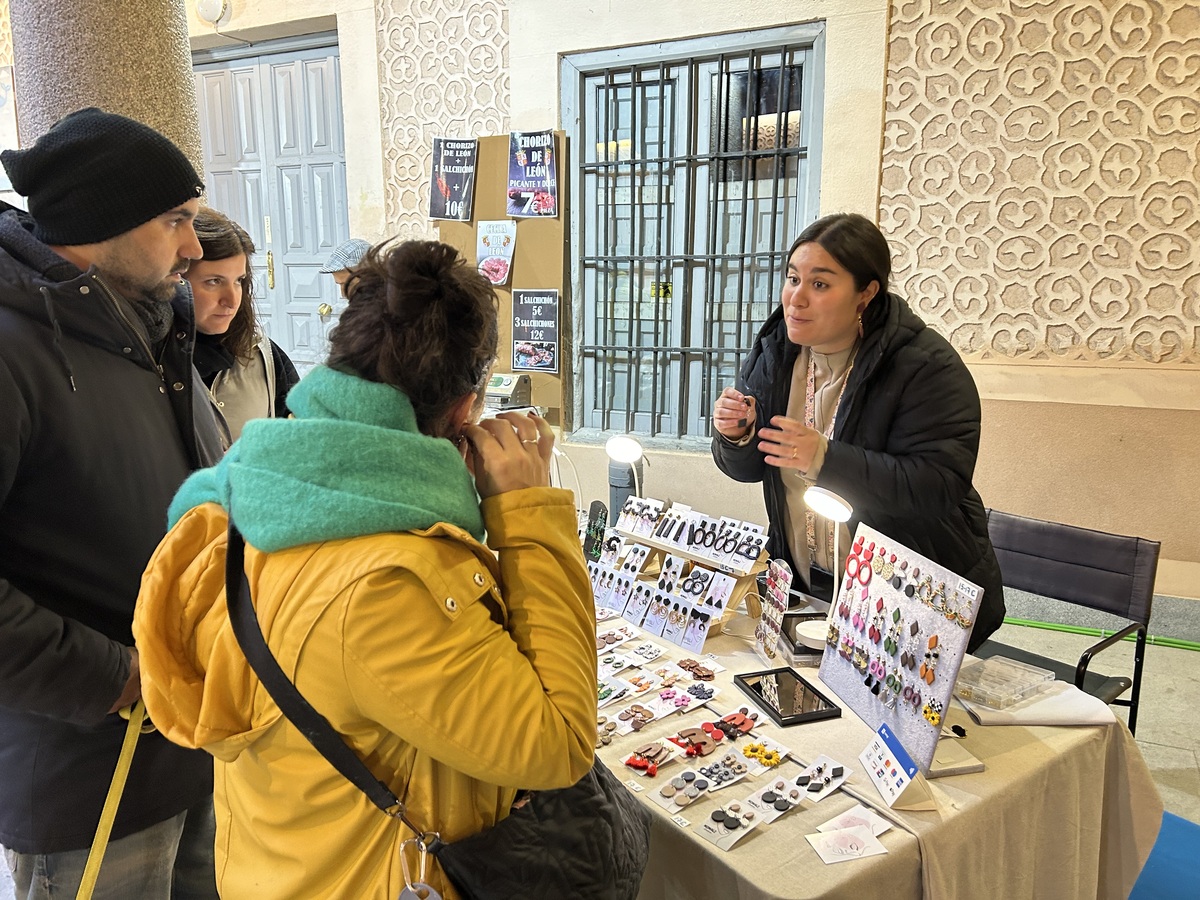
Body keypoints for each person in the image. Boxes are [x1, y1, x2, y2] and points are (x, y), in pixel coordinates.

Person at [133, 239, 596, 899]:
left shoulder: (260, 495)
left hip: (281, 860)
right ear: (468, 407)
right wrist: (528, 515)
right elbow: (558, 743)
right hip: (365, 877)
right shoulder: (387, 580)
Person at [0, 108, 222, 897]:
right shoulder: (12, 349)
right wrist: (117, 678)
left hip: (196, 747)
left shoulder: (155, 333)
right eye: (176, 221)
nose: (194, 248)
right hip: (86, 776)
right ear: (97, 223)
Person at [711, 213, 1004, 651]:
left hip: (910, 598)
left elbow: (938, 485)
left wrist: (826, 459)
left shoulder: (924, 366)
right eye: (792, 278)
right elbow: (754, 467)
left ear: (865, 294)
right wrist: (735, 435)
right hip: (806, 587)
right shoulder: (775, 352)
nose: (796, 299)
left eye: (821, 284)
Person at [187, 207, 299, 442]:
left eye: (239, 281)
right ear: (176, 280)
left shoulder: (263, 355)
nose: (232, 301)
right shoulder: (148, 365)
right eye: (214, 281)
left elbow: (298, 438)